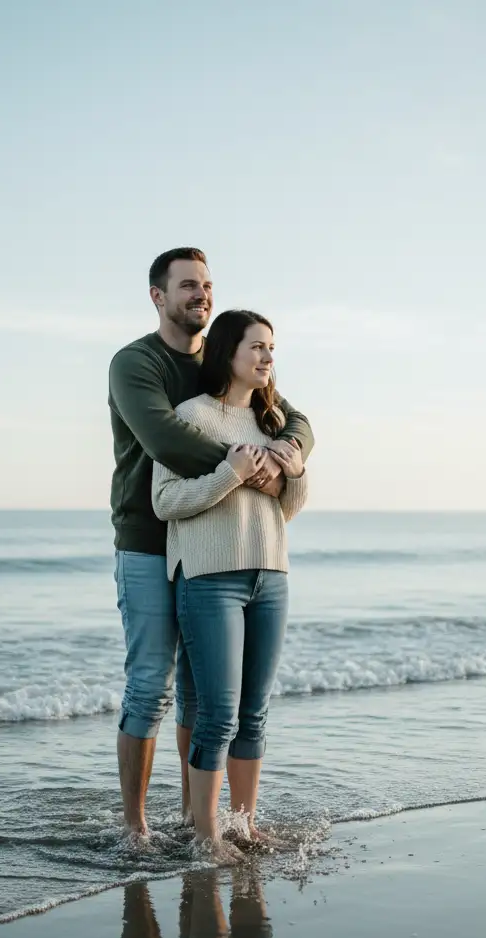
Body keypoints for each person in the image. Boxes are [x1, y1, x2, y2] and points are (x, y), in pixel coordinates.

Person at [108, 249, 314, 840]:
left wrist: (287, 460)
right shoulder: (136, 364)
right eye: (187, 286)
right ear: (158, 296)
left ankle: (194, 818)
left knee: (202, 696)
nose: (201, 294)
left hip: (219, 546)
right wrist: (246, 468)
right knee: (152, 684)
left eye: (207, 285)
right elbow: (167, 439)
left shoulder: (224, 363)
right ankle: (136, 828)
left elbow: (295, 422)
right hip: (149, 542)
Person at [151, 309, 308, 859]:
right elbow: (165, 501)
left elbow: (291, 507)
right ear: (228, 352)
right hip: (209, 580)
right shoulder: (189, 417)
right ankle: (207, 834)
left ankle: (244, 824)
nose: (267, 357)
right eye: (257, 347)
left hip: (271, 575)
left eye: (271, 348)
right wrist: (230, 475)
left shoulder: (273, 425)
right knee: (216, 713)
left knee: (253, 714)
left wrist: (288, 473)